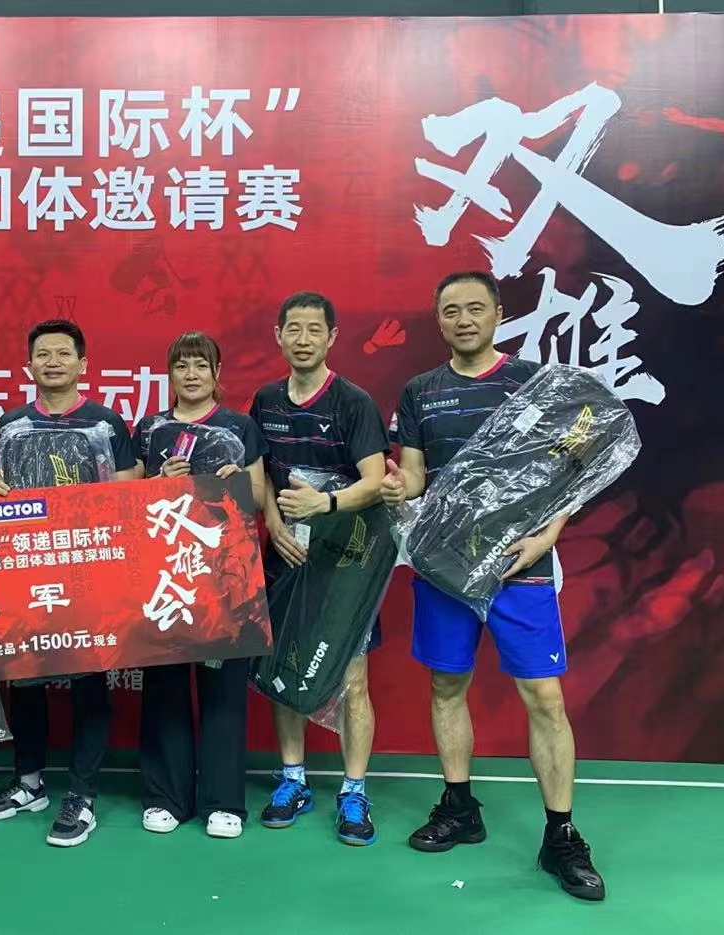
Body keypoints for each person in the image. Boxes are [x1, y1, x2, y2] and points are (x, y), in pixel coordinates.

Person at [382, 270, 605, 901]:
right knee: (446, 686)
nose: (463, 319)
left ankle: (561, 835)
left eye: (475, 308)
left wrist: (548, 535)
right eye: (450, 310)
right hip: (446, 567)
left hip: (518, 565)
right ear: (439, 319)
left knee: (545, 699)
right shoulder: (420, 391)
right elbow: (417, 476)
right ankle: (459, 807)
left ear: (499, 313)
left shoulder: (535, 382)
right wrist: (399, 488)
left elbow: (575, 465)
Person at [0, 319, 139, 848]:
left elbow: (127, 496)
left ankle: (83, 795)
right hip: (25, 569)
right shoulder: (11, 425)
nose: (52, 362)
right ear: (29, 366)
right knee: (25, 677)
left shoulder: (107, 424)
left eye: (63, 354)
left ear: (82, 364)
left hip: (89, 571)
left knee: (89, 679)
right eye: (42, 354)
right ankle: (29, 783)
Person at [248, 291, 389, 846]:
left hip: (348, 560)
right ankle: (293, 780)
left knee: (353, 679)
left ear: (331, 338)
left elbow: (375, 481)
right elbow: (260, 474)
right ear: (278, 336)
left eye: (314, 330)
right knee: (284, 667)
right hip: (286, 554)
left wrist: (324, 504)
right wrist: (273, 523)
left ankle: (354, 790)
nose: (303, 339)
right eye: (294, 329)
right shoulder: (265, 400)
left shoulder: (353, 402)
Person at [133, 332, 266, 840]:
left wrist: (238, 483)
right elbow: (128, 499)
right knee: (165, 685)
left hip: (225, 577)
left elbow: (259, 496)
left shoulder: (239, 427)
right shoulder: (150, 429)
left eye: (200, 365)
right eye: (181, 366)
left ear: (216, 373)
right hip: (165, 574)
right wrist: (157, 483)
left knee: (223, 689)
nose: (191, 375)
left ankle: (223, 801)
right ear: (169, 374)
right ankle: (166, 796)